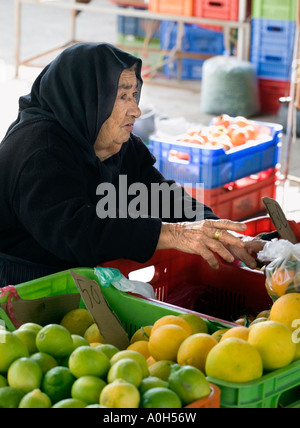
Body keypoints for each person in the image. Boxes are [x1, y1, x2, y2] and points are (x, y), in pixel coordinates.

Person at [0, 43, 264, 287]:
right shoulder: (38, 150)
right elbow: (75, 231)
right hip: (22, 283)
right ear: (88, 98)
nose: (136, 110)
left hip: (81, 278)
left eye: (134, 94)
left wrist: (225, 237)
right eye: (122, 96)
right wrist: (174, 234)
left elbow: (161, 198)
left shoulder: (115, 142)